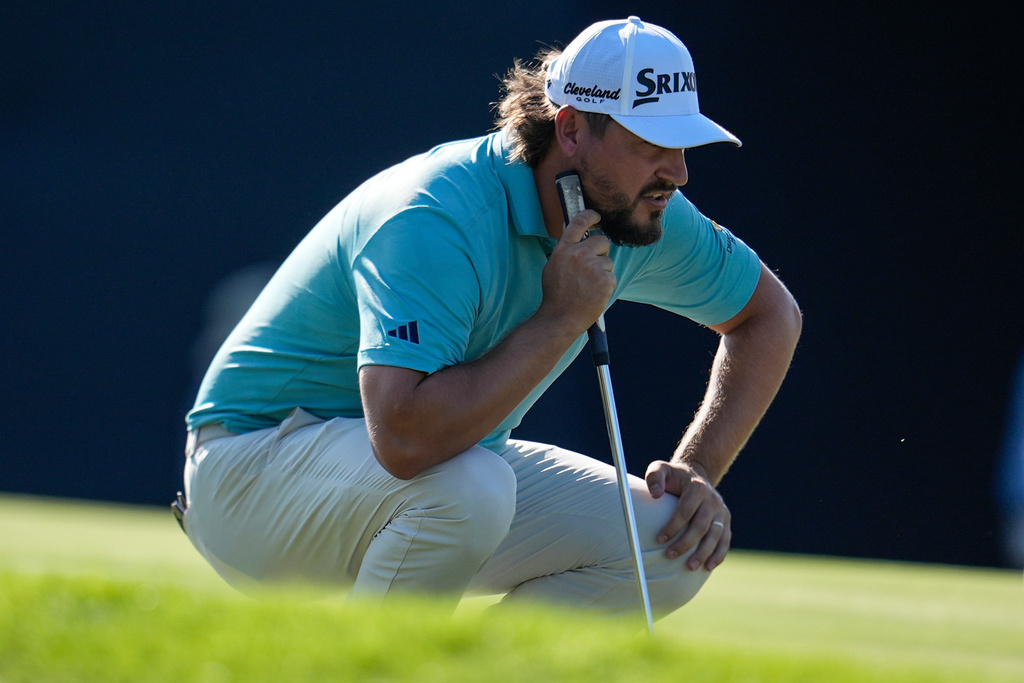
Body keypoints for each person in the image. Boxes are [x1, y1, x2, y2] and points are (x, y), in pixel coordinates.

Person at [179, 16, 802, 620]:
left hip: (418, 485)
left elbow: (770, 316)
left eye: (682, 144)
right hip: (247, 477)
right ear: (572, 129)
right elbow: (404, 441)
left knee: (672, 547)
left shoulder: (641, 209)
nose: (678, 172)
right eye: (649, 144)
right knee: (468, 489)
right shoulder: (436, 212)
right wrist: (560, 319)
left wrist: (697, 468)